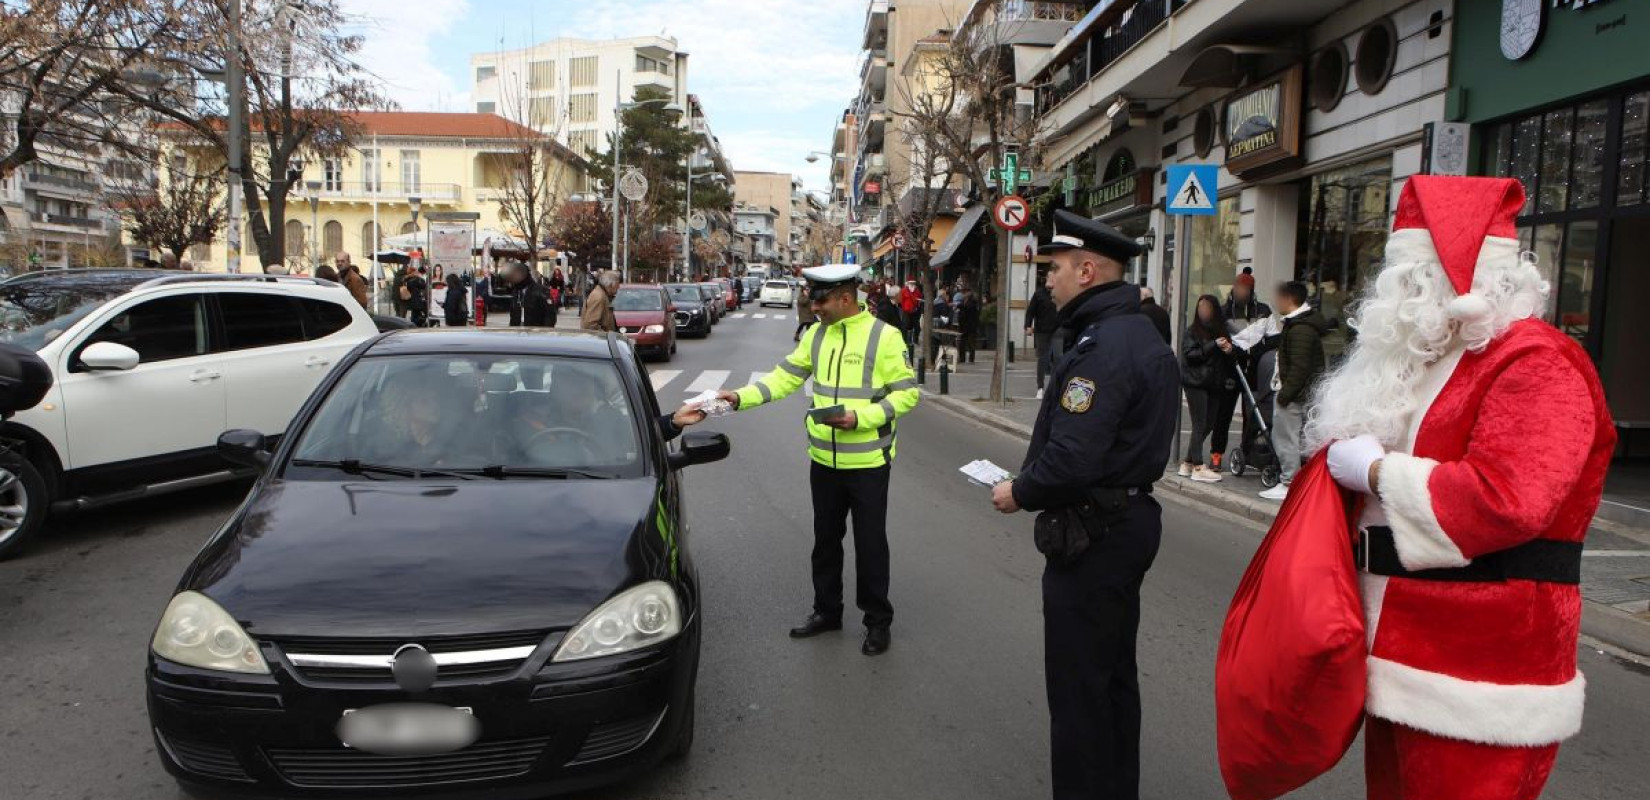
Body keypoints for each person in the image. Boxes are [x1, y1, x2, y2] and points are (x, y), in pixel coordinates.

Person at [1304, 175, 1614, 800]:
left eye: (1407, 279)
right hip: (1401, 652)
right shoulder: (1433, 359)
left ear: (1446, 282)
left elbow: (1512, 498)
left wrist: (1375, 472)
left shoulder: (1535, 361)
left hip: (1483, 670)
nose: (1392, 295)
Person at [989, 210, 1178, 800]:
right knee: (1113, 678)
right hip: (1125, 522)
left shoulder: (1102, 348)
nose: (1048, 281)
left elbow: (1072, 459)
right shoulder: (1135, 333)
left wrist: (1018, 491)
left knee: (1078, 691)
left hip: (1097, 532)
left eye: (1057, 270)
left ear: (1088, 270)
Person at [713, 264, 920, 656]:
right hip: (823, 460)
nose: (813, 306)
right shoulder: (816, 336)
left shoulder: (885, 336)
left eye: (820, 300)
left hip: (868, 463)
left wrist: (861, 418)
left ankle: (877, 622)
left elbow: (907, 394)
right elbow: (784, 378)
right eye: (811, 298)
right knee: (825, 542)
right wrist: (740, 397)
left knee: (870, 544)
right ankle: (827, 611)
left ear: (846, 298)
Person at [1258, 280, 1328, 500]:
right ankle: (1294, 481)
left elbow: (1300, 367)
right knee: (1296, 438)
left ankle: (1289, 482)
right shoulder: (1299, 325)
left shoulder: (1300, 329)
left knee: (1286, 437)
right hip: (1300, 394)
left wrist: (1285, 395)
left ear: (1289, 299)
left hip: (1295, 396)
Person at [1211, 269, 1272, 471]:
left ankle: (1248, 453)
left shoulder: (1263, 311)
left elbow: (1273, 339)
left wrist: (1253, 353)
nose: (1241, 291)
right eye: (1238, 287)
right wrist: (1232, 351)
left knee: (1252, 413)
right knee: (1223, 414)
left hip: (1253, 370)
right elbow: (1217, 338)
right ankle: (1217, 454)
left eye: (1245, 288)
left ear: (1251, 290)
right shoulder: (1223, 312)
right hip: (1229, 369)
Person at [1178, 294, 1231, 483]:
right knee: (1199, 423)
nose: (1203, 311)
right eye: (1200, 307)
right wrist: (1213, 346)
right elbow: (1191, 355)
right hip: (1195, 382)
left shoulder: (1221, 330)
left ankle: (1187, 463)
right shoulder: (1192, 331)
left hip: (1214, 383)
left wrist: (1228, 350)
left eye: (1207, 308)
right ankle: (1198, 466)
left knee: (1209, 423)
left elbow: (1227, 360)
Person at [1024, 282, 1060, 400]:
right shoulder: (1039, 294)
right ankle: (1040, 387)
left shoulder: (1061, 291)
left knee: (1058, 358)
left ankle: (1056, 387)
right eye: (1049, 277)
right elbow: (1030, 311)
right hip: (1042, 332)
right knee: (1043, 359)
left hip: (1057, 331)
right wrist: (1028, 326)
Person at [504, 260, 551, 327]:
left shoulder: (540, 290)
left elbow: (550, 314)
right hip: (517, 332)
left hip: (535, 332)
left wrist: (544, 333)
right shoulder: (516, 291)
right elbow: (513, 314)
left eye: (519, 274)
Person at [956, 281, 980, 364]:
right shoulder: (963, 301)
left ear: (969, 292)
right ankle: (962, 358)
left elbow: (969, 309)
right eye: (963, 292)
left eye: (965, 292)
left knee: (971, 343)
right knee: (962, 343)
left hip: (970, 326)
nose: (963, 293)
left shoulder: (972, 301)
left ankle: (971, 358)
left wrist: (959, 306)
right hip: (963, 326)